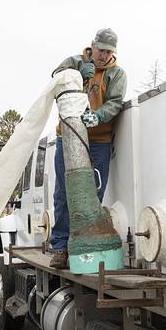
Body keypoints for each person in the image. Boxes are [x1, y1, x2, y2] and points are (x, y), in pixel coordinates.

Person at [49, 28, 128, 269]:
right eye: (101, 50)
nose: (104, 55)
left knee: (92, 194)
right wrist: (76, 73)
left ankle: (84, 243)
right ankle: (61, 247)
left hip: (99, 141)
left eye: (109, 52)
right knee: (63, 194)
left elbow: (115, 102)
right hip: (68, 137)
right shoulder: (74, 62)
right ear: (92, 45)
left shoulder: (116, 74)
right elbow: (55, 79)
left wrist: (99, 116)